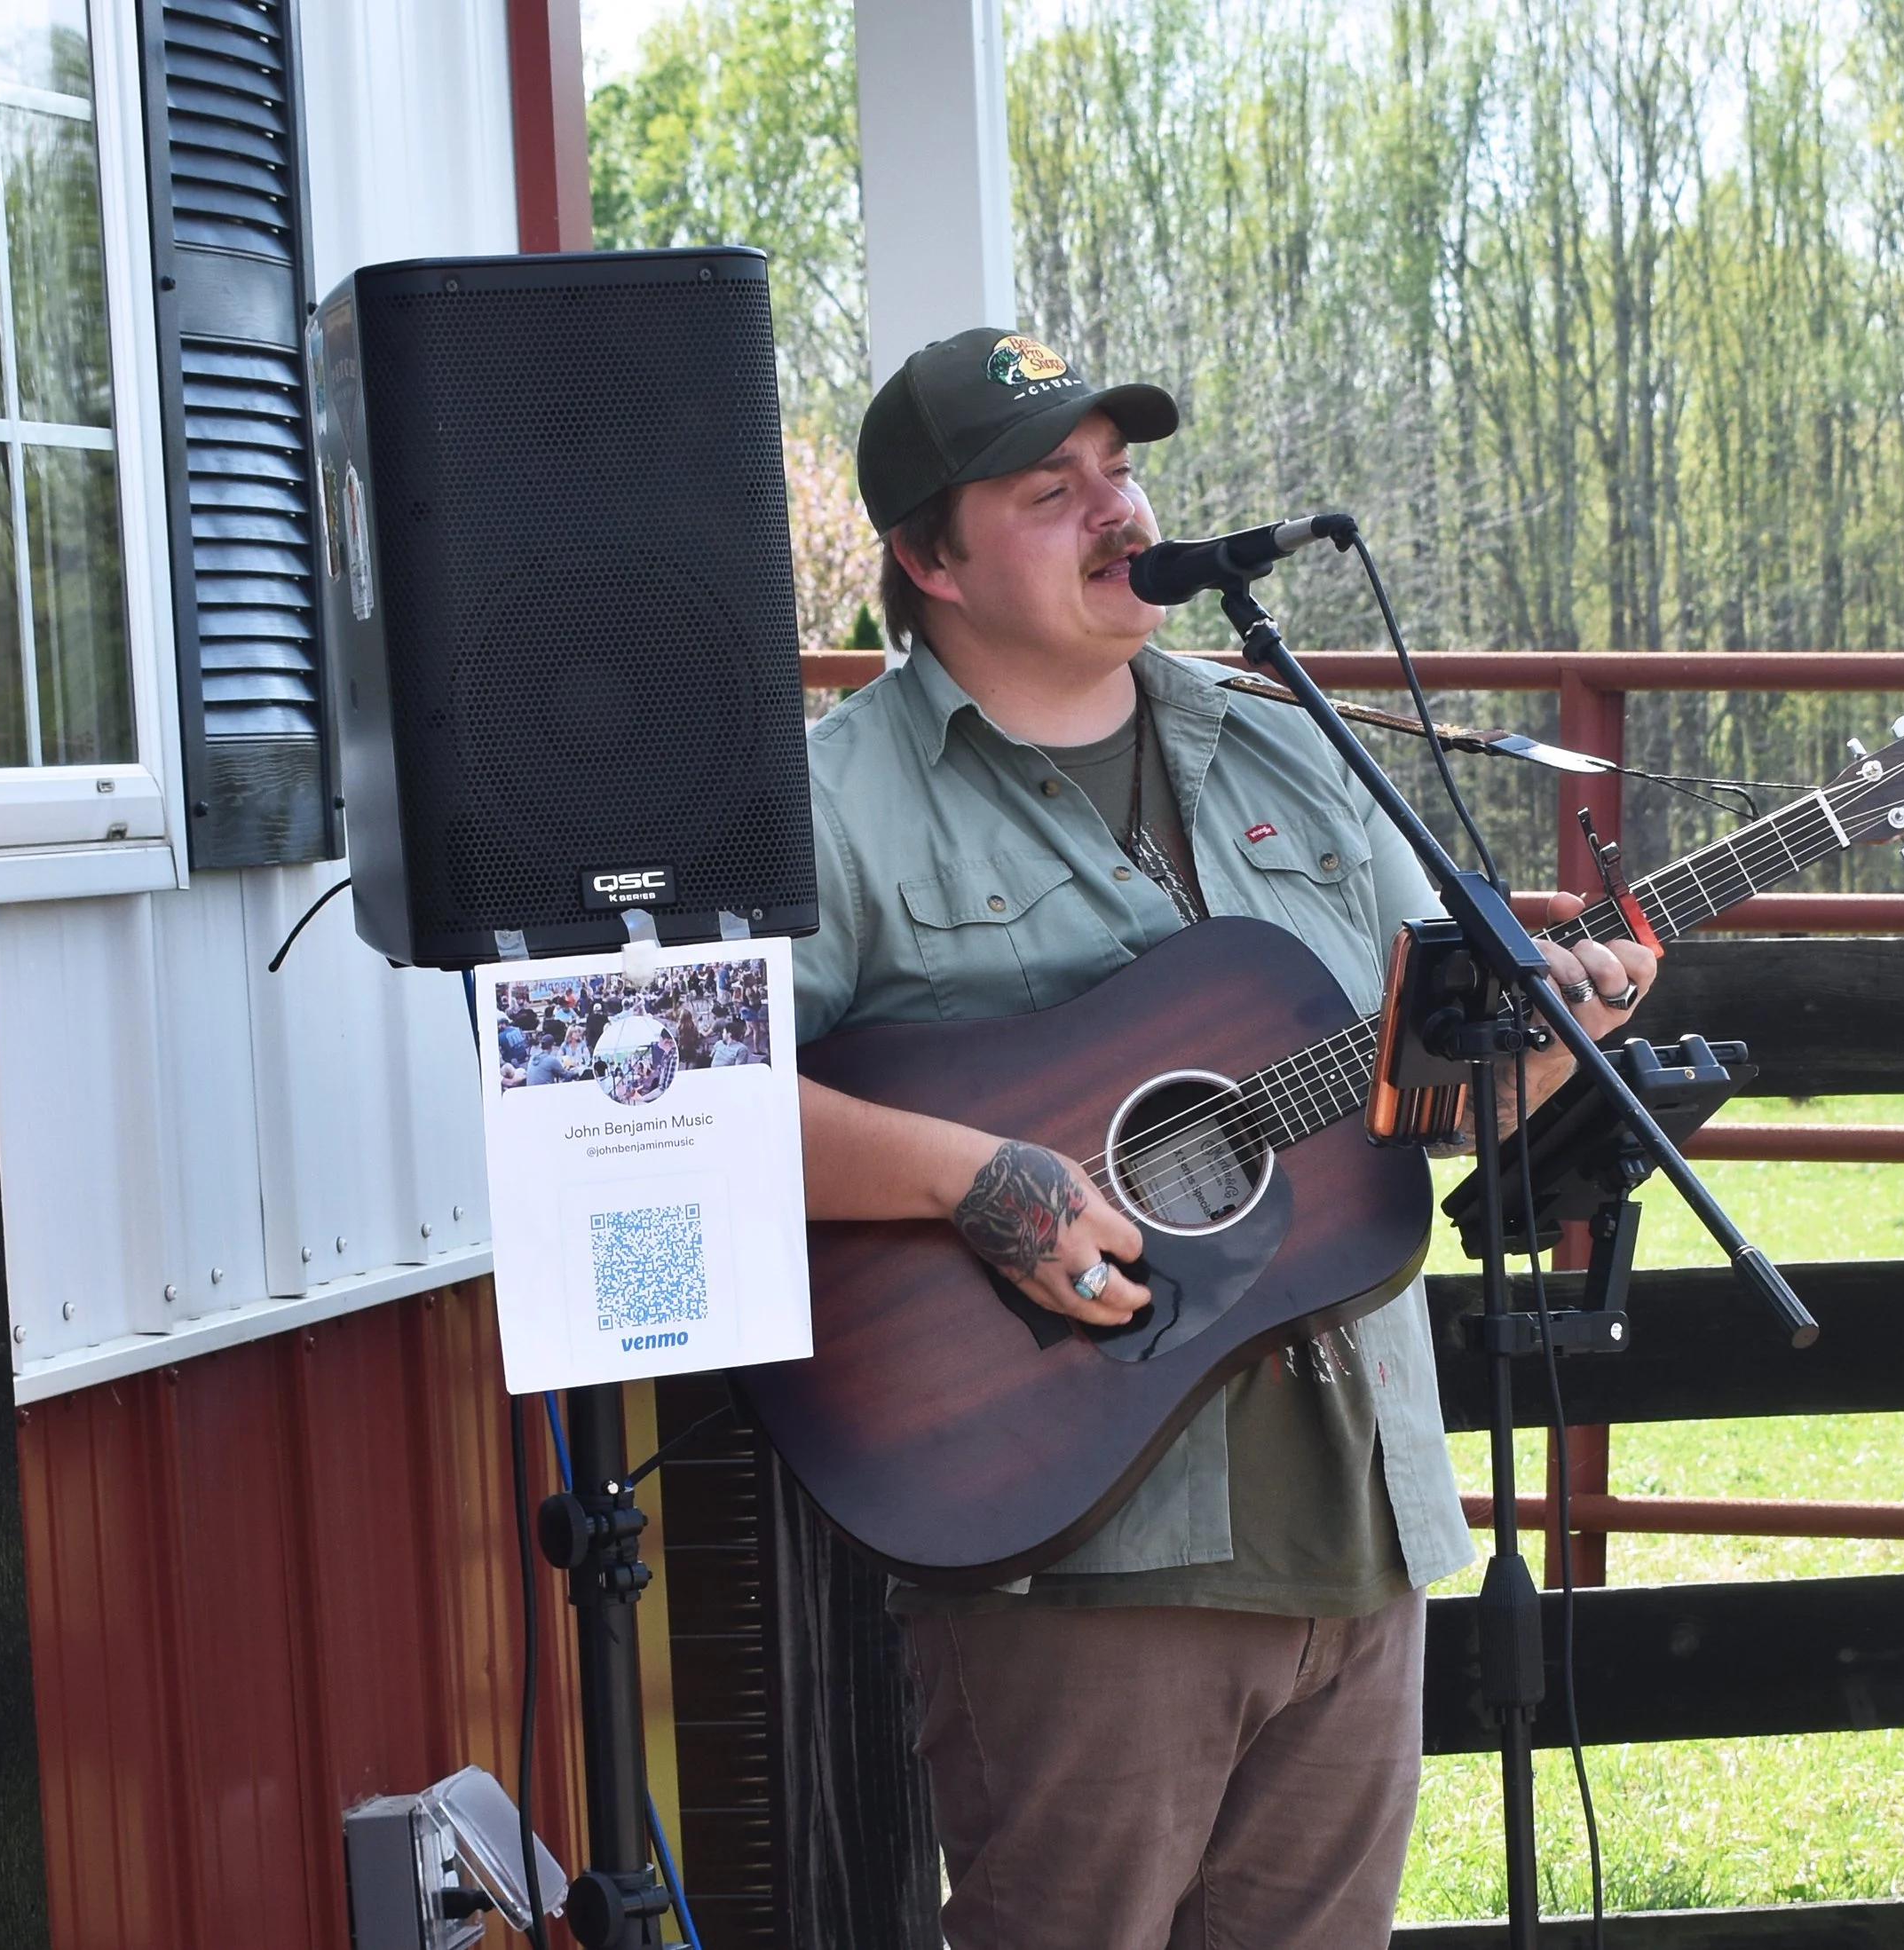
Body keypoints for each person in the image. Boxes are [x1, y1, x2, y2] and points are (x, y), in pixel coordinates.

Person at [793, 327, 1656, 1950]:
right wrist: (978, 1177)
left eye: (1119, 473)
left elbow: (1411, 1088)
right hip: (1075, 1538)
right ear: (930, 557)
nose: (1119, 513)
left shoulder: (1286, 740)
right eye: (1052, 491)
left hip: (1359, 1525)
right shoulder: (834, 805)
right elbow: (670, 1108)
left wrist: (1556, 1042)